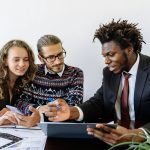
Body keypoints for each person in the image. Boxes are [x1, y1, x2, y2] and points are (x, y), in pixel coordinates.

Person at [44, 19, 150, 145]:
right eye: (104, 56)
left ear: (129, 49)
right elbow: (98, 102)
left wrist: (138, 134)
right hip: (113, 141)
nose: (106, 61)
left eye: (110, 54)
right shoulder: (109, 73)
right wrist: (72, 112)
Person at [15, 34, 83, 116]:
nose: (58, 62)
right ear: (41, 58)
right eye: (51, 57)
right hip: (33, 126)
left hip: (61, 126)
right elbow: (20, 103)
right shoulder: (32, 71)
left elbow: (74, 108)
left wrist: (41, 113)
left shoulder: (75, 73)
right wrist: (39, 109)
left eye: (60, 54)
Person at [0, 40, 40, 127]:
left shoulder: (26, 82)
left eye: (26, 60)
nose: (22, 64)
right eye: (16, 60)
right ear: (5, 60)